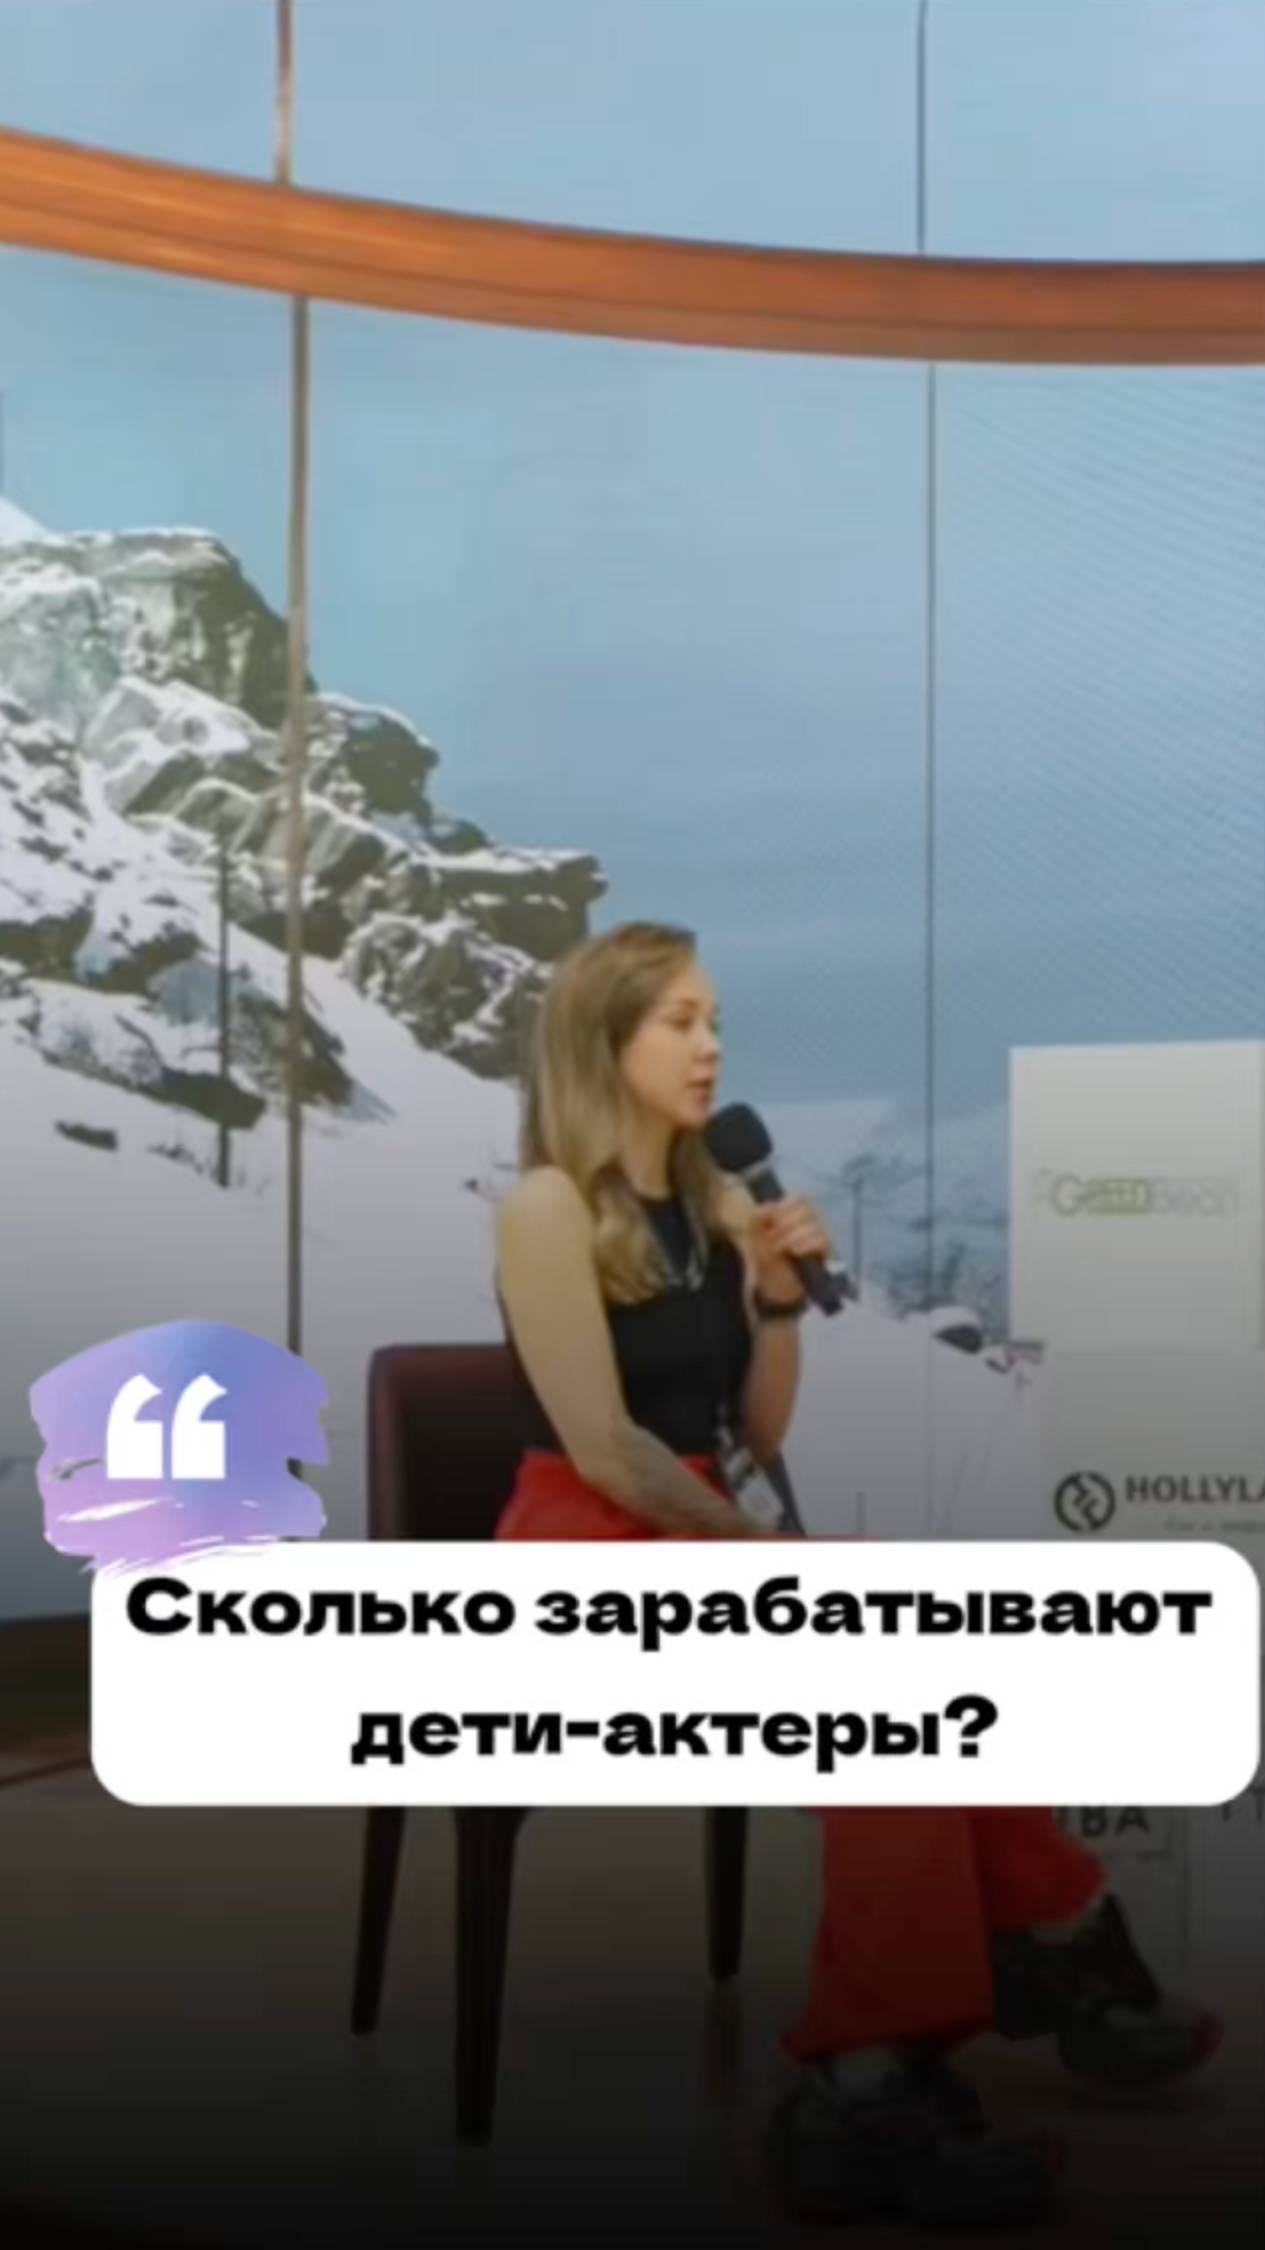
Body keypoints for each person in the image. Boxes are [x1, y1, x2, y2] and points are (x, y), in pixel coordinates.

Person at [493, 920, 1221, 2231]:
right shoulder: (548, 1206)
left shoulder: (716, 1208)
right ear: (601, 1041)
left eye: (716, 1021)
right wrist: (762, 1552)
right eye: (679, 1021)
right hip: (583, 1552)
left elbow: (756, 1433)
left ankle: (900, 2057)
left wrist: (774, 1302)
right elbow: (605, 1448)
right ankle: (1013, 1977)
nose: (711, 1048)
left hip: (699, 1531)